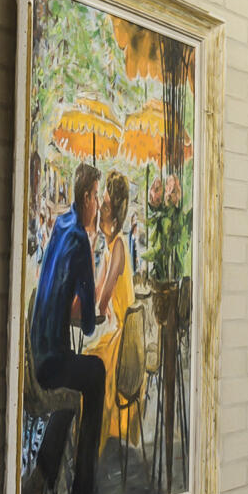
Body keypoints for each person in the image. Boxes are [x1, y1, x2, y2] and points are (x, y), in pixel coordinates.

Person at [28, 162, 108, 494]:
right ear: (89, 197)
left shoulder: (60, 224)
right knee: (97, 371)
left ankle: (38, 485)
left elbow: (59, 292)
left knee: (75, 384)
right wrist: (91, 254)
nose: (99, 203)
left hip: (36, 352)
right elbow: (90, 323)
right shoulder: (78, 238)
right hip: (51, 362)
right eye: (97, 196)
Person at [86, 171, 140, 445]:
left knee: (89, 359)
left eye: (104, 207)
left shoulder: (118, 247)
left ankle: (93, 442)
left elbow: (102, 301)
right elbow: (95, 293)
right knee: (88, 355)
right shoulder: (109, 247)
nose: (100, 210)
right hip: (115, 332)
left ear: (114, 217)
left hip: (122, 343)